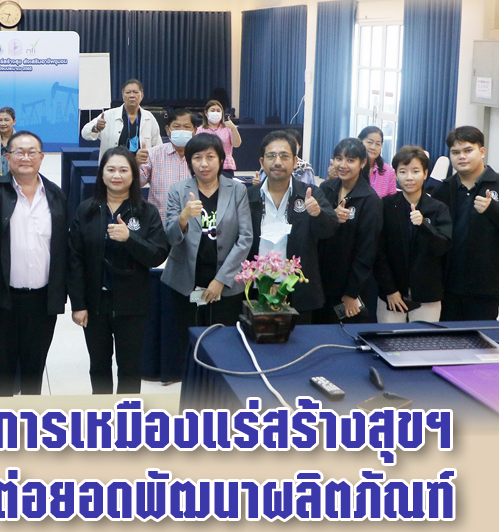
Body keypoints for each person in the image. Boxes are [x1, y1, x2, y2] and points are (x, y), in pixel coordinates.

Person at [0, 131, 66, 396]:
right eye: (19, 152)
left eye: (32, 152)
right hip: (3, 299)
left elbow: (64, 249)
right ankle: (2, 420)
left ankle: (30, 419)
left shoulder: (56, 195)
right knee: (2, 373)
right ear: (8, 157)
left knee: (34, 371)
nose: (25, 157)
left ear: (42, 157)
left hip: (42, 301)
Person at [68, 147, 169, 394]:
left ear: (133, 175)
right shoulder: (86, 210)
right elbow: (74, 260)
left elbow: (158, 255)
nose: (117, 175)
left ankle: (127, 415)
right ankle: (102, 414)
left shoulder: (146, 212)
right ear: (101, 174)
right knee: (98, 367)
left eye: (124, 170)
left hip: (132, 303)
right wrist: (78, 304)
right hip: (95, 303)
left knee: (130, 369)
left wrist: (130, 238)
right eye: (111, 169)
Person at [162, 134, 252, 376]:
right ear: (189, 162)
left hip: (226, 281)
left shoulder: (237, 190)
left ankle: (220, 388)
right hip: (185, 281)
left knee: (223, 345)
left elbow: (245, 238)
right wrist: (183, 218)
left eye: (210, 157)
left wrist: (221, 280)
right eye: (197, 157)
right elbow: (170, 237)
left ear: (221, 160)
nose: (204, 164)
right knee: (188, 344)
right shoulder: (178, 191)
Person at [246, 131, 338, 321]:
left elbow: (329, 230)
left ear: (295, 161)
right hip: (254, 290)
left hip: (298, 292)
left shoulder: (310, 194)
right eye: (271, 156)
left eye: (284, 156)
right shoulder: (248, 196)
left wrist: (317, 214)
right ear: (262, 162)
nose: (277, 162)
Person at [374, 146, 452, 323]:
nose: (409, 177)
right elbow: (378, 252)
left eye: (415, 171)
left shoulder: (438, 208)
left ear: (425, 174)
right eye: (403, 172)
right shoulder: (385, 206)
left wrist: (424, 225)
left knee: (424, 340)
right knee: (390, 339)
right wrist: (390, 290)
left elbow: (443, 247)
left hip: (428, 296)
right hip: (391, 295)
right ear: (396, 175)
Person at [432, 126, 499, 321]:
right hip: (448, 286)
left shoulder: (497, 184)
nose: (461, 156)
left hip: (487, 287)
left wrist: (493, 209)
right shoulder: (441, 190)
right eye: (455, 152)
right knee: (447, 338)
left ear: (482, 151)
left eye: (468, 150)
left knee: (480, 339)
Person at [313, 138, 383, 324]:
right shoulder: (325, 189)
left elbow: (367, 252)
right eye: (339, 158)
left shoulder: (370, 200)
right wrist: (330, 217)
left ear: (363, 163)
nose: (343, 165)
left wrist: (352, 292)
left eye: (350, 160)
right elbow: (315, 232)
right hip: (320, 282)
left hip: (349, 287)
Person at [81, 79, 162, 161]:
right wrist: (97, 128)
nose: (131, 95)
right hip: (113, 165)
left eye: (135, 92)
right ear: (123, 96)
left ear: (142, 95)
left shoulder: (149, 118)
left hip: (140, 166)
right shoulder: (108, 115)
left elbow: (158, 147)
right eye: (128, 92)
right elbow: (85, 133)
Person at [139, 108, 194, 223]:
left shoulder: (201, 157)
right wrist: (136, 164)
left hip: (193, 226)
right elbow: (137, 183)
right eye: (177, 127)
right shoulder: (153, 154)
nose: (181, 131)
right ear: (168, 130)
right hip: (160, 224)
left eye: (186, 127)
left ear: (194, 131)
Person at [195, 99, 241, 178]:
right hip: (207, 166)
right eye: (212, 110)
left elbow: (236, 144)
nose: (215, 113)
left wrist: (234, 129)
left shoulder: (228, 128)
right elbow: (196, 148)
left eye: (218, 110)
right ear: (206, 113)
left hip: (225, 166)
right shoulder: (200, 130)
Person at [358, 126, 397, 197]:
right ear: (360, 142)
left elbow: (392, 200)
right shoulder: (351, 167)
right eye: (369, 142)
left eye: (378, 144)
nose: (373, 147)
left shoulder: (388, 172)